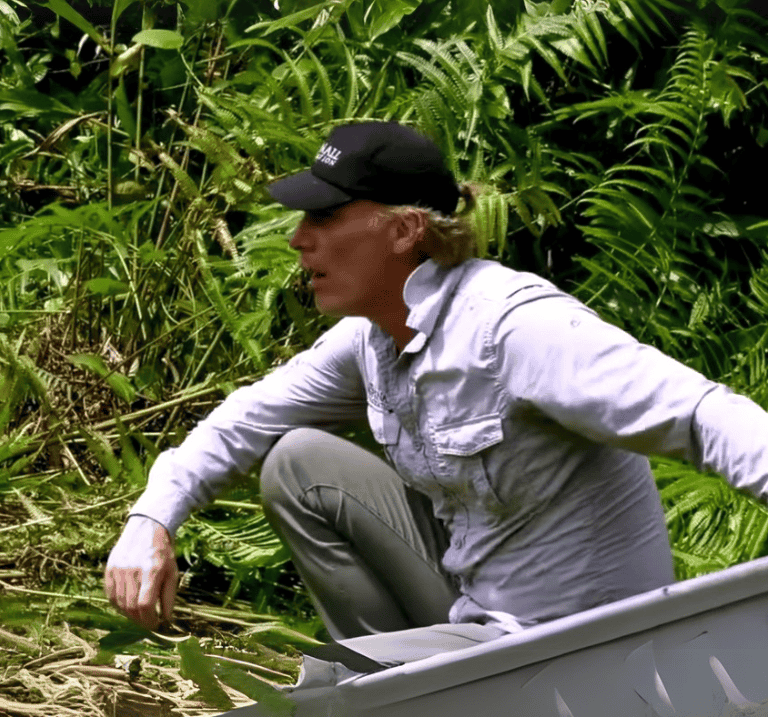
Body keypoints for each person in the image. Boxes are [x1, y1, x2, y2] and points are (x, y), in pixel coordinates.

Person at [104, 120, 768, 644]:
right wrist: (151, 519)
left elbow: (700, 415)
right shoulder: (371, 339)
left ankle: (393, 687)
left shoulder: (516, 328)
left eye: (324, 217)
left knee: (330, 695)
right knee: (298, 464)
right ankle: (400, 680)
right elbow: (243, 420)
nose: (298, 239)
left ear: (404, 231)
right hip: (475, 618)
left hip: (583, 648)